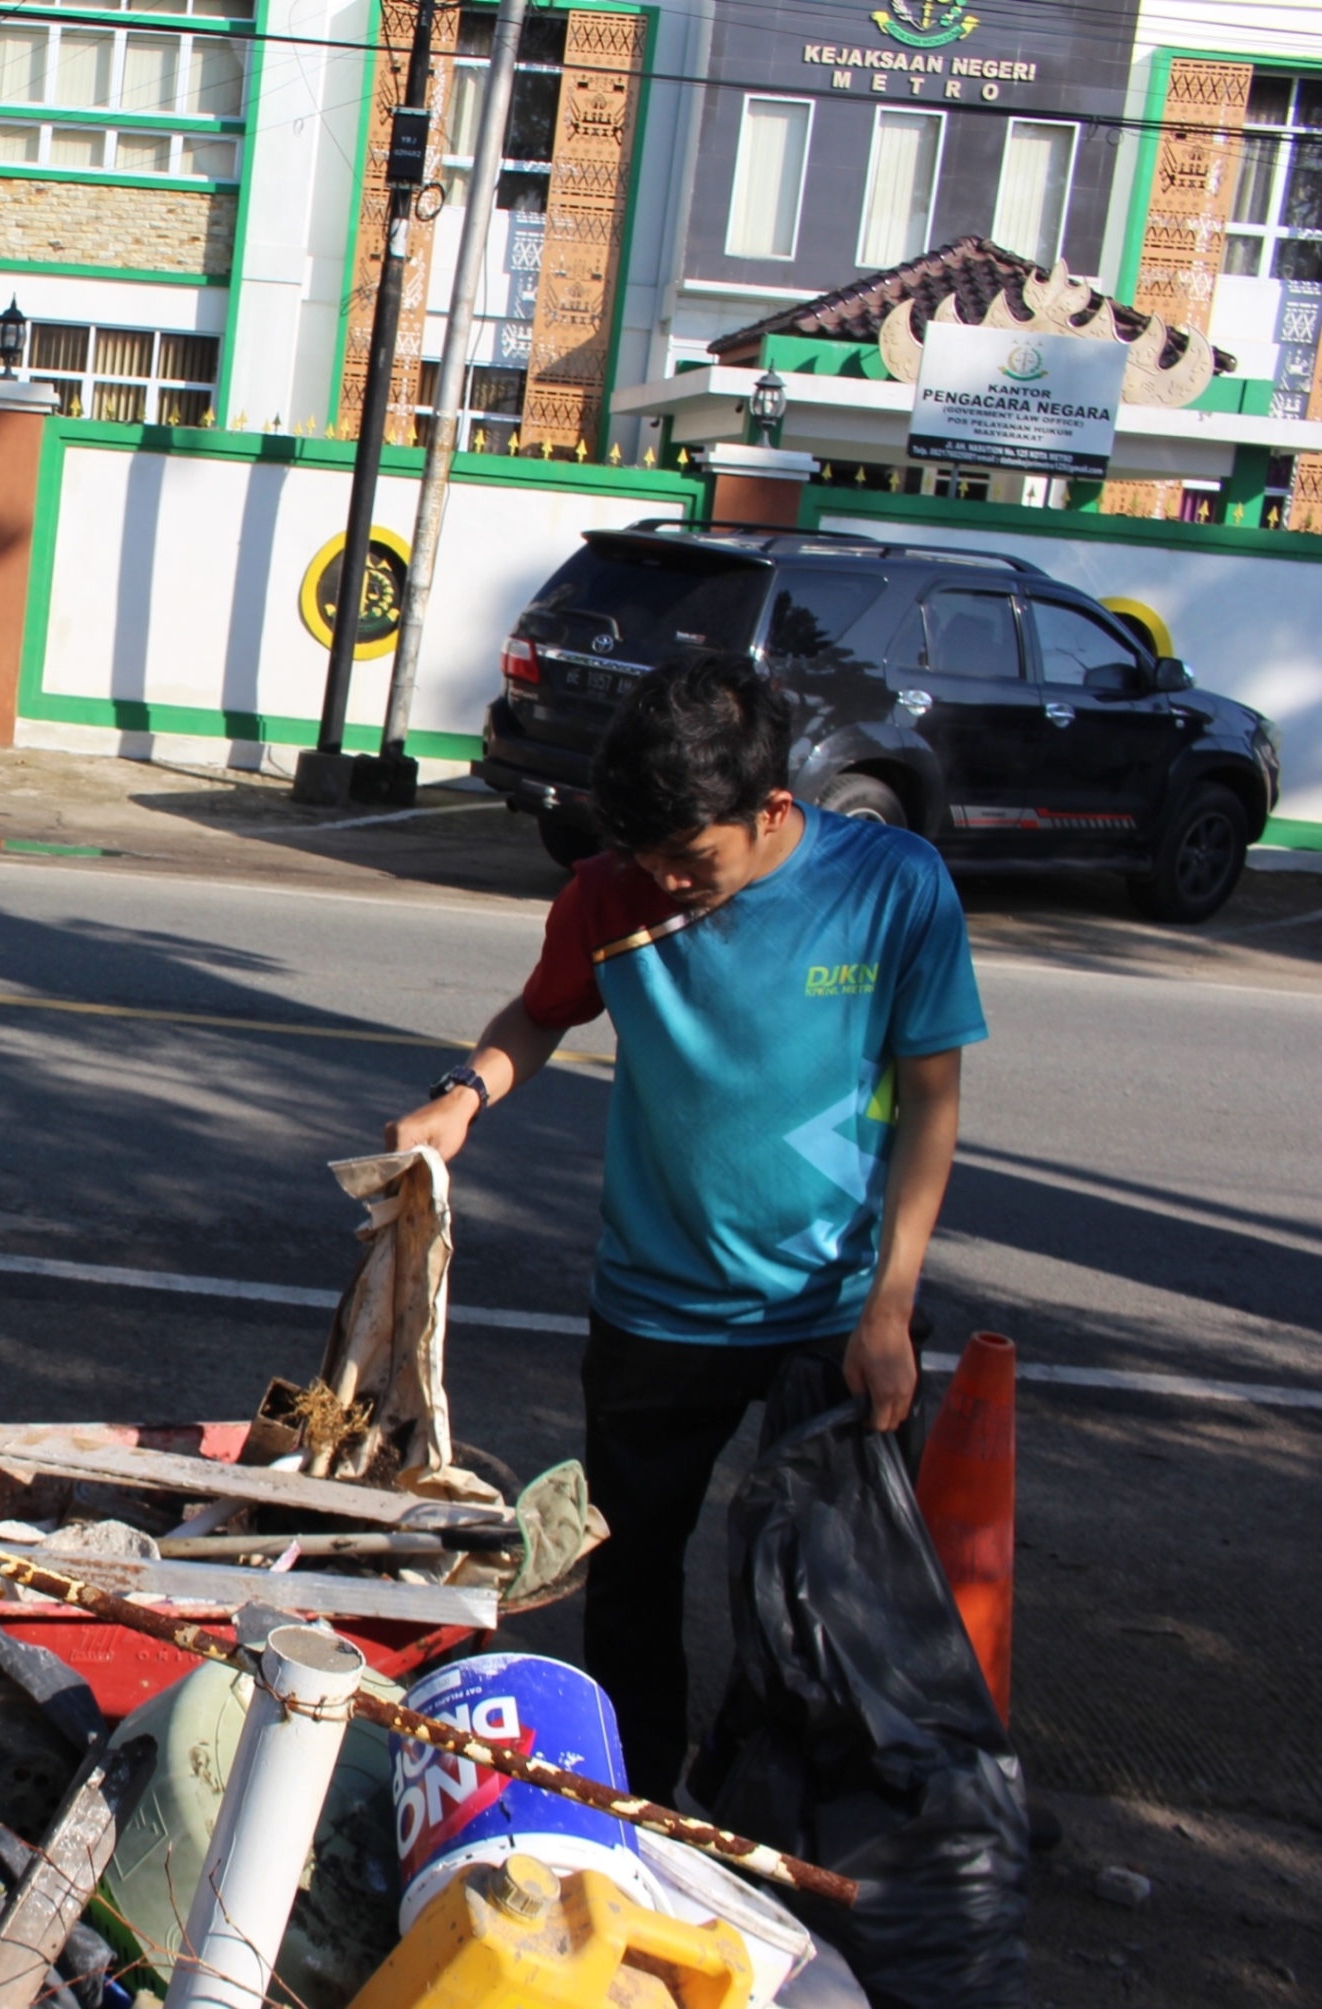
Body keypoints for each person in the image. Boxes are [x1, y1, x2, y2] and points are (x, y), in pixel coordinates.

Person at [385, 659, 984, 1799]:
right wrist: (462, 1092)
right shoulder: (612, 893)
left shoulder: (890, 884)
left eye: (689, 859)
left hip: (835, 1309)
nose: (664, 879)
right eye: (645, 855)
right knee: (629, 1574)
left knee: (825, 1592)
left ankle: (783, 1800)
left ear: (770, 809)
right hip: (656, 1307)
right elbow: (538, 1010)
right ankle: (640, 1799)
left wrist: (890, 1304)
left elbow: (931, 1102)